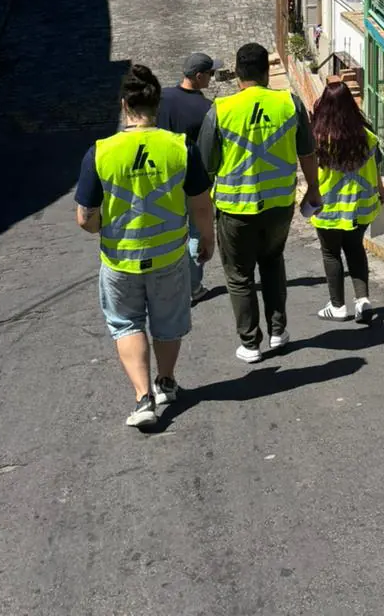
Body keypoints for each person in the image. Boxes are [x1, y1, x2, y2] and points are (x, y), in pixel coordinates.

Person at [75, 65, 215, 429]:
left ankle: (143, 398)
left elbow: (85, 217)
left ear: (125, 106)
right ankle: (166, 381)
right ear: (157, 105)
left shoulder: (101, 152)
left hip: (120, 260)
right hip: (169, 257)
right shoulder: (179, 148)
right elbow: (201, 204)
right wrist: (207, 239)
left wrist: (102, 228)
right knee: (167, 324)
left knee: (127, 325)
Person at [198, 42, 319, 364]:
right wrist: (314, 190)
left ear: (237, 74)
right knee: (273, 262)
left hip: (235, 209)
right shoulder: (289, 103)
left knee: (239, 276)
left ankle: (251, 343)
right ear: (268, 72)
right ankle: (278, 331)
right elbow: (307, 152)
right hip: (279, 205)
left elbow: (205, 166)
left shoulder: (221, 110)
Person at [309, 77, 384, 323]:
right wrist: (383, 192)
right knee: (355, 250)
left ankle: (337, 306)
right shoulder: (367, 137)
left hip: (328, 209)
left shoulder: (318, 138)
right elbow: (376, 173)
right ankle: (363, 301)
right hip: (361, 208)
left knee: (331, 254)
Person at [156, 51, 219, 302]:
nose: (212, 78)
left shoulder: (161, 97)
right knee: (196, 232)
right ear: (198, 76)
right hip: (192, 180)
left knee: (168, 233)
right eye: (210, 74)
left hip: (161, 177)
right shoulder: (206, 109)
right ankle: (193, 287)